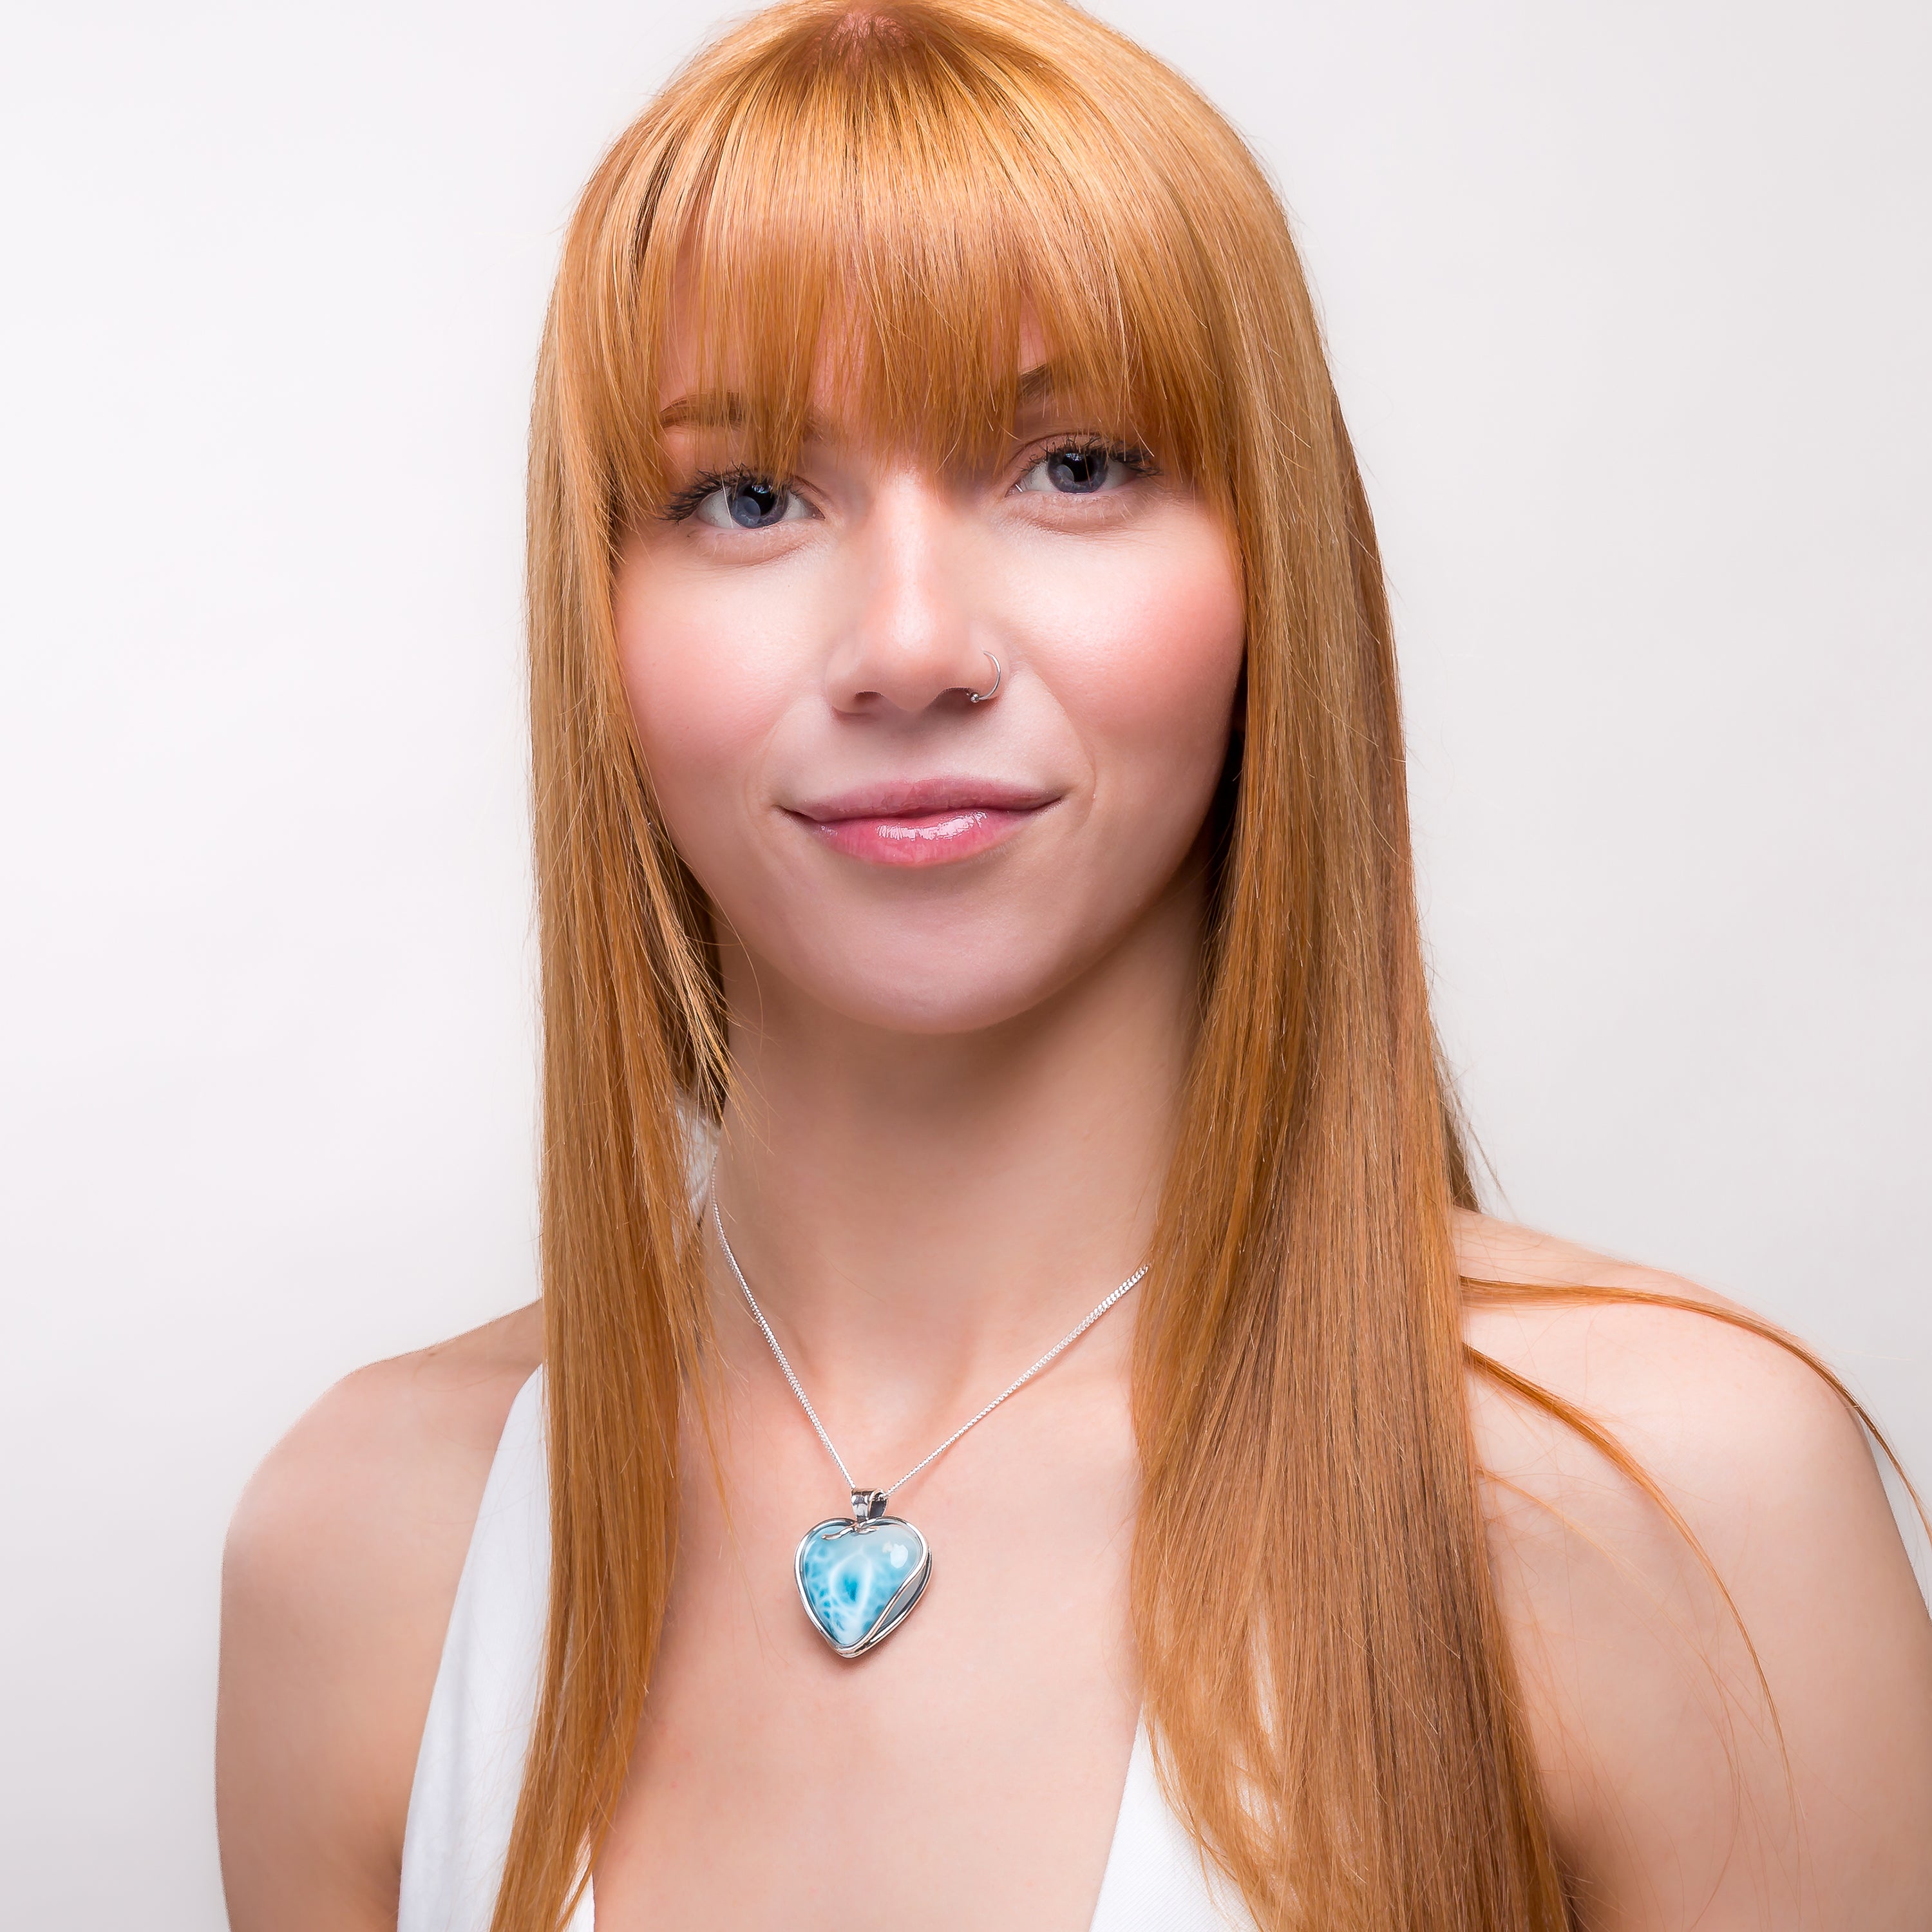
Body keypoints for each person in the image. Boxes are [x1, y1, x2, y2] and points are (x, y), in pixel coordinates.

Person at [213, 2, 1932, 1926]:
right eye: (750, 496)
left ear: (1275, 561)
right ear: (596, 615)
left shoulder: (1674, 1506)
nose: (912, 646)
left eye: (1078, 464)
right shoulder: (362, 1554)